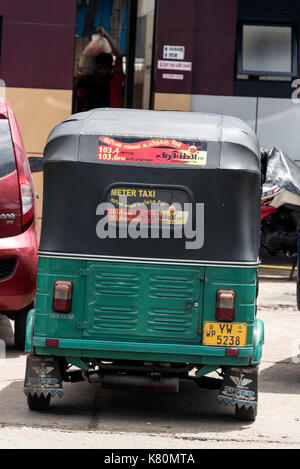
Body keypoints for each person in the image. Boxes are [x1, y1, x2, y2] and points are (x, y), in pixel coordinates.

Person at [75, 27, 124, 112]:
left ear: (110, 68)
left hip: (107, 117)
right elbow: (73, 92)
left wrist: (106, 36)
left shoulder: (114, 80)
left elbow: (119, 55)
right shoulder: (88, 79)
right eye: (99, 67)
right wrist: (79, 76)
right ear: (95, 67)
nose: (101, 70)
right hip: (88, 118)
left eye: (105, 68)